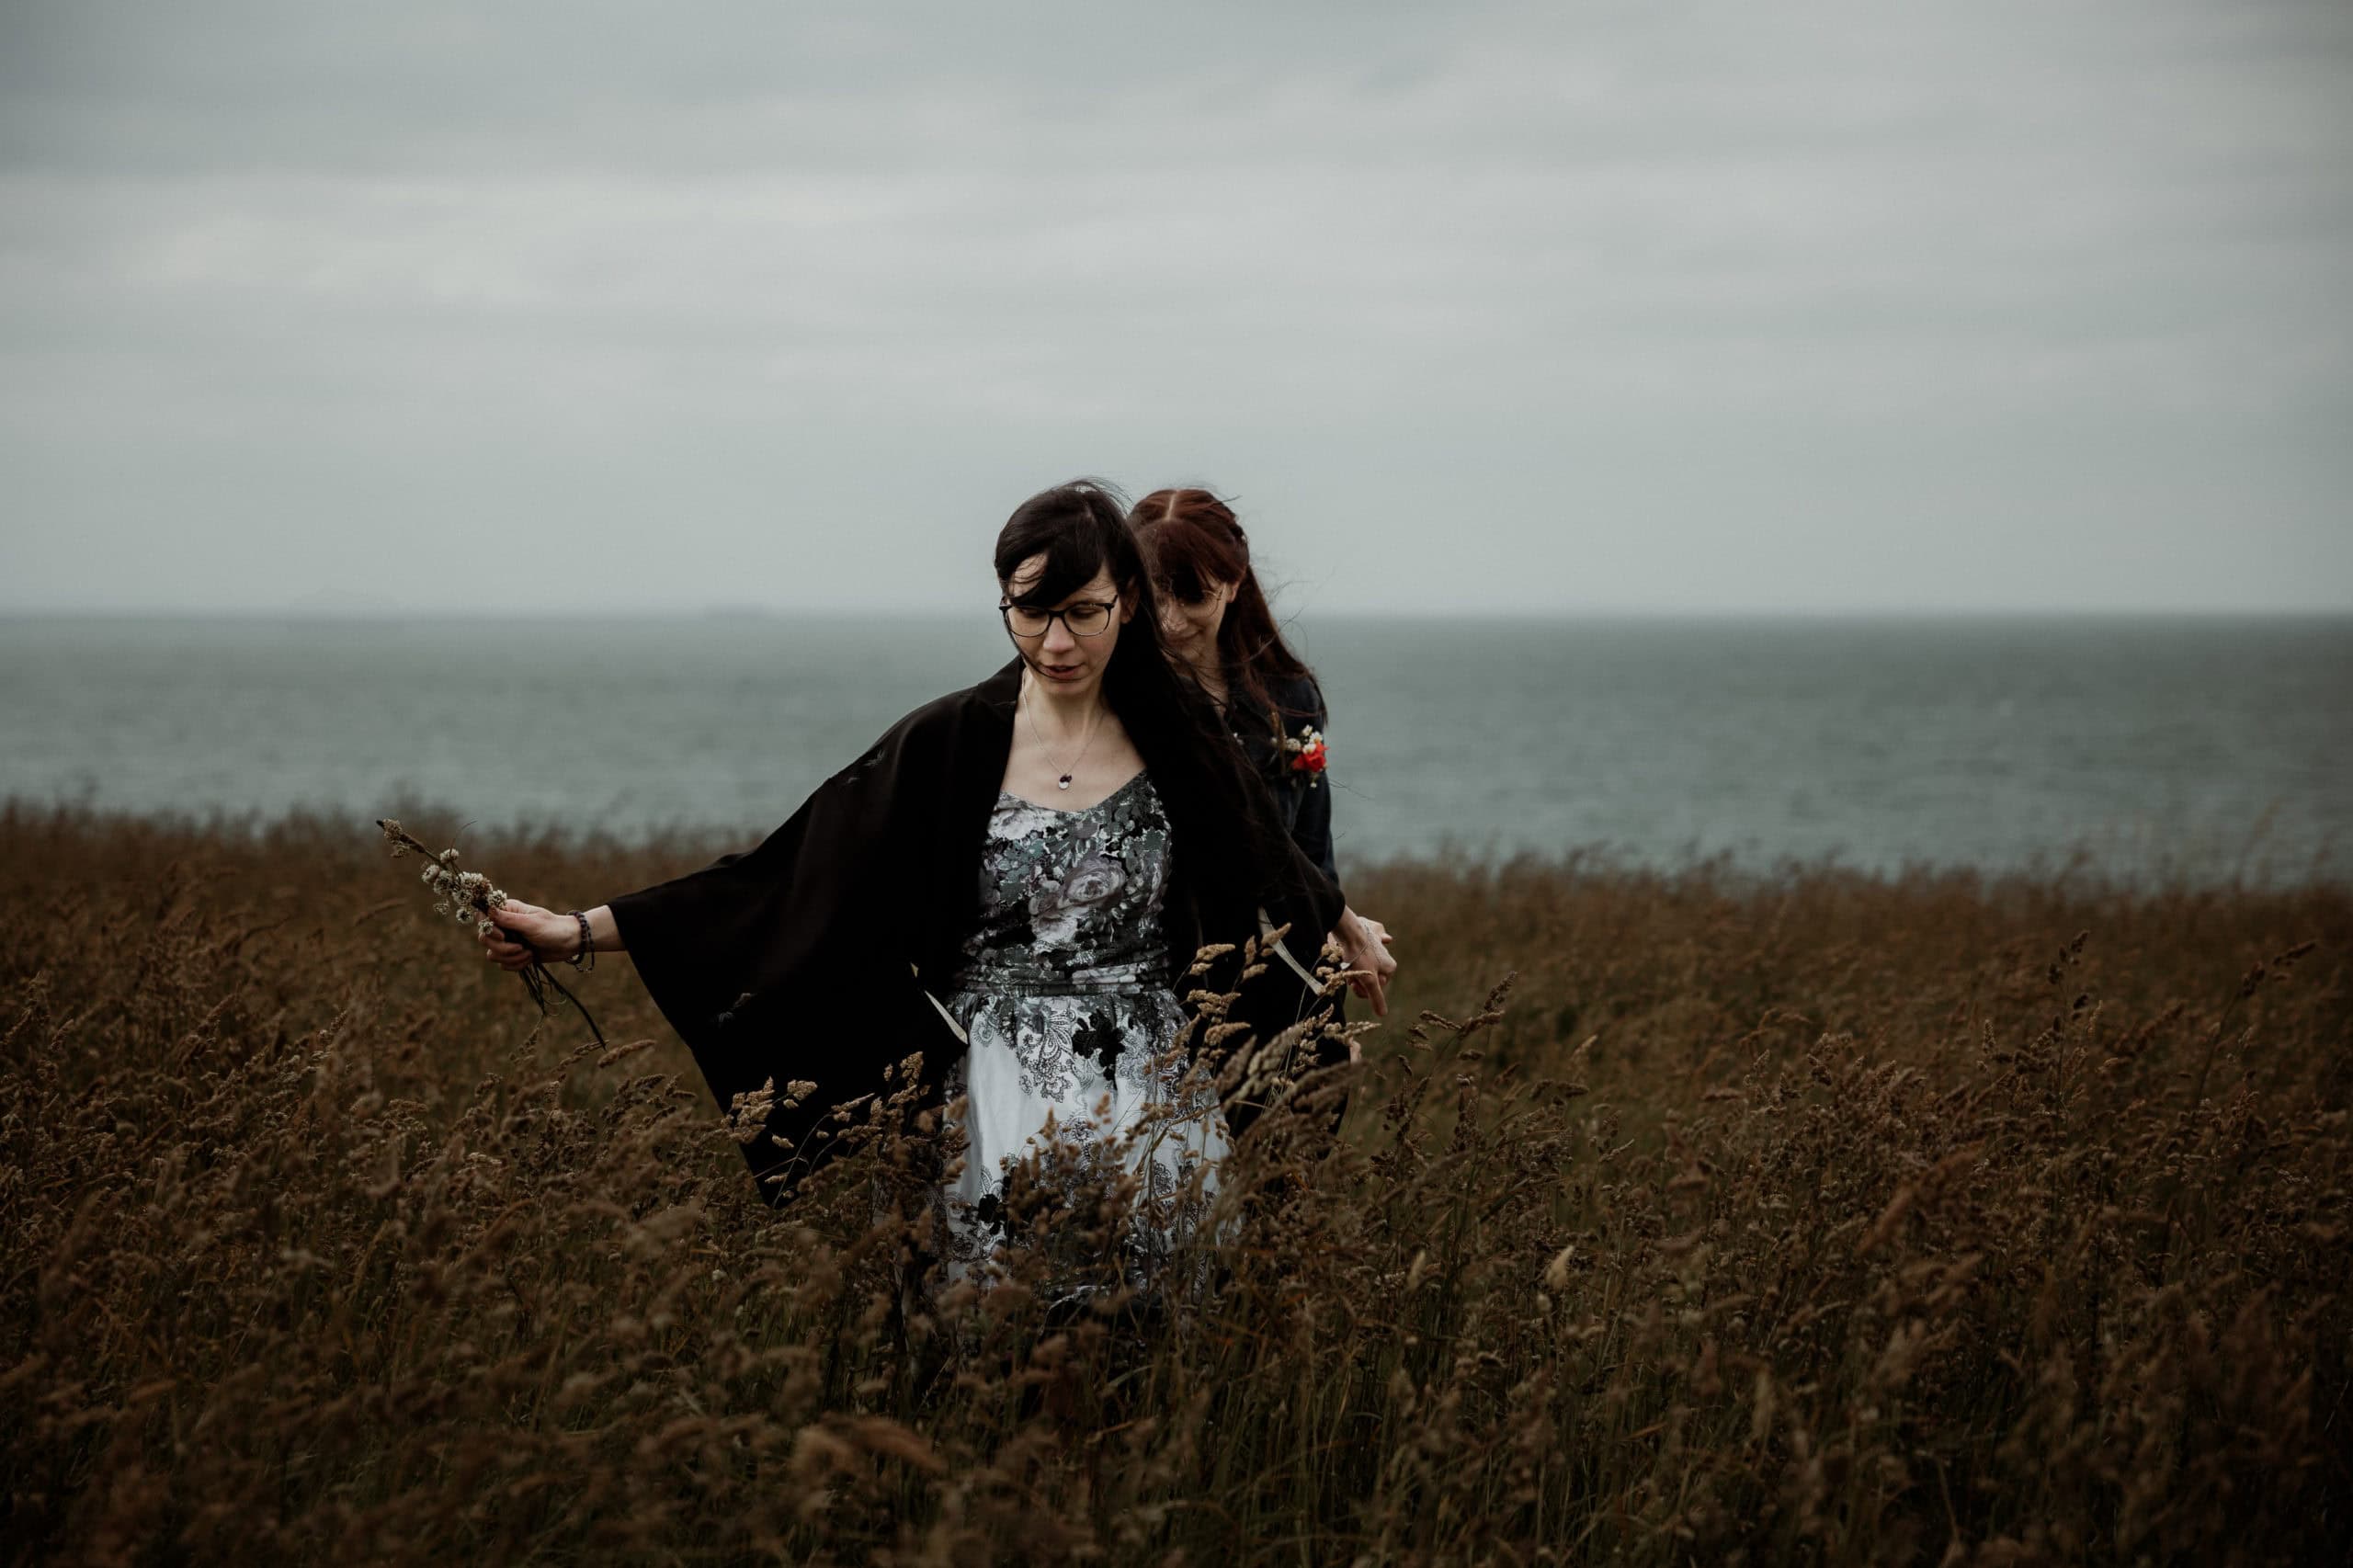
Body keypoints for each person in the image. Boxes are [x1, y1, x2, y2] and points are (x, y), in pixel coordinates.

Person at [477, 482, 1345, 1285]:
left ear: (1125, 603)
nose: (1057, 642)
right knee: (1000, 1346)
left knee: (1156, 1347)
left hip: (1152, 1092)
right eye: (1032, 613)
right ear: (1003, 602)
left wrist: (1345, 924)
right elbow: (788, 876)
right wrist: (581, 930)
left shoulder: (1185, 741)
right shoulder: (950, 743)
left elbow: (1272, 870)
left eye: (1083, 613)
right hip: (988, 1093)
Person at [1130, 488, 1396, 1021]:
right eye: (1155, 597)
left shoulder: (1291, 699)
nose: (1172, 620)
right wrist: (1345, 918)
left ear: (1232, 583)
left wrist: (1328, 1018)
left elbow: (1313, 852)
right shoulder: (1119, 701)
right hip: (1154, 988)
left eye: (1192, 596)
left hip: (1279, 985)